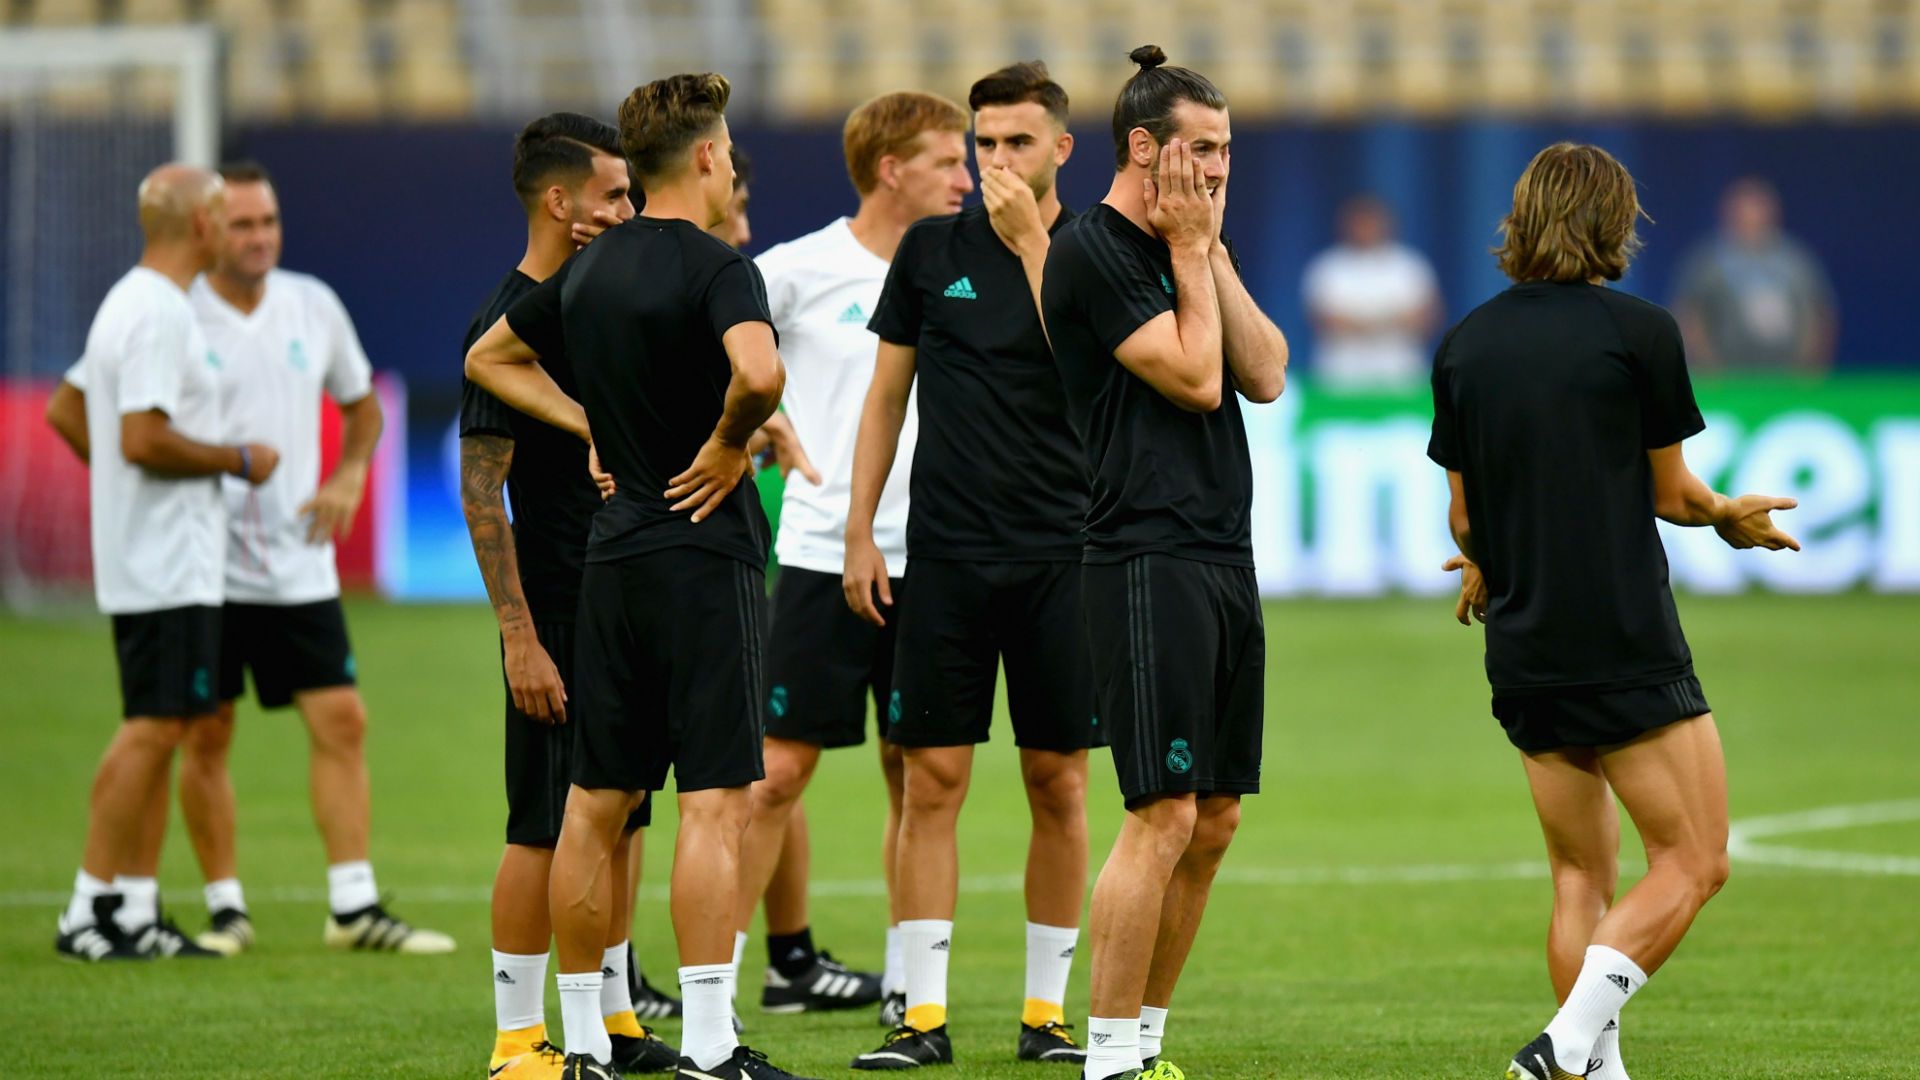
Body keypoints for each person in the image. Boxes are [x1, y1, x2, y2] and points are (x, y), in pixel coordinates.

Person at [466, 72, 817, 1080]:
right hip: (704, 553)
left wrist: (591, 427)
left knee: (592, 801)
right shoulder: (718, 271)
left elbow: (490, 358)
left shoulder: (584, 273)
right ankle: (710, 1042)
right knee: (713, 802)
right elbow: (760, 375)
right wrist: (725, 444)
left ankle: (581, 1046)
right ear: (708, 157)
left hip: (610, 554)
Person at [1428, 143, 1800, 1080]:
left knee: (1577, 878)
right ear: (1612, 221)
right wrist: (1725, 516)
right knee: (1694, 861)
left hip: (1522, 643)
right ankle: (1560, 1048)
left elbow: (1466, 515)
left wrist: (1484, 567)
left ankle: (1600, 1072)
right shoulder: (1640, 332)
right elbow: (1671, 491)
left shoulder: (1465, 344)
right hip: (1623, 638)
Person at [52, 162, 453, 960]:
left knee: (340, 716)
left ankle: (353, 902)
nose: (259, 236)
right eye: (240, 223)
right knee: (192, 732)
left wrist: (345, 476)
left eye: (269, 221)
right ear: (206, 226)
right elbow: (77, 410)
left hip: (294, 557)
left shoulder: (312, 303)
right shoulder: (169, 308)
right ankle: (218, 905)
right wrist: (153, 485)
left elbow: (363, 405)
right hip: (199, 563)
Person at [842, 61, 1097, 1071]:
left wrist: (1035, 249)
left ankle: (1045, 1016)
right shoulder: (928, 251)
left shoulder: (1093, 252)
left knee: (1059, 784)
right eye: (983, 144)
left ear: (1060, 151)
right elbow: (885, 398)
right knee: (931, 779)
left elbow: (1087, 365)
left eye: (1016, 144)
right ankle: (922, 1017)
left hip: (1065, 555)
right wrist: (861, 529)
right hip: (944, 553)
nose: (994, 163)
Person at [1040, 46, 1287, 1080]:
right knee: (1162, 812)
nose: (1220, 168)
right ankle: (1103, 1057)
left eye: (1228, 150)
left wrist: (1210, 250)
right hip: (1143, 557)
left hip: (1220, 554)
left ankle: (1144, 1041)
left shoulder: (1195, 245)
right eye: (1202, 149)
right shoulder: (1091, 251)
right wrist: (1192, 251)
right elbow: (1194, 377)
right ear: (1142, 148)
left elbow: (1263, 373)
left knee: (1216, 818)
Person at [734, 89, 973, 1026]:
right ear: (890, 169)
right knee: (777, 774)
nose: (967, 177)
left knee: (919, 778)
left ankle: (909, 986)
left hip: (939, 560)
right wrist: (767, 420)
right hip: (819, 554)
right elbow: (714, 358)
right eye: (949, 161)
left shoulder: (965, 268)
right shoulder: (796, 270)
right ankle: (732, 989)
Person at [459, 113, 680, 1078]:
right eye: (615, 195)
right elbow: (482, 495)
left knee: (624, 811)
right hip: (554, 605)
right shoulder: (505, 323)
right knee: (543, 823)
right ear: (561, 203)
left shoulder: (600, 306)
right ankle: (516, 1039)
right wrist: (520, 637)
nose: (629, 210)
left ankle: (615, 1016)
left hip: (626, 594)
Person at [47, 164, 278, 962]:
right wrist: (237, 457)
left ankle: (135, 909)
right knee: (151, 726)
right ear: (200, 224)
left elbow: (65, 407)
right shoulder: (158, 313)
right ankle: (87, 907)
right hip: (166, 559)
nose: (230, 228)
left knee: (170, 721)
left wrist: (119, 494)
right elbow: (141, 439)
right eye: (223, 214)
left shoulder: (135, 300)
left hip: (161, 552)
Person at [1671, 177, 1836, 372]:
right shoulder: (1708, 262)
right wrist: (1708, 369)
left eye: (1757, 210)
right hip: (1727, 384)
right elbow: (1689, 316)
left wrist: (1809, 369)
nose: (1751, 218)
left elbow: (1819, 315)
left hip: (1787, 381)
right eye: (1743, 211)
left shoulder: (1795, 261)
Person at [1300, 194, 1440, 390]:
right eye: (1360, 223)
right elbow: (1324, 319)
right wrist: (1388, 322)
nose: (1365, 229)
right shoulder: (1328, 267)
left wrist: (1362, 323)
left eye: (1371, 222)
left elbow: (1425, 317)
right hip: (1341, 377)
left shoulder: (1410, 265)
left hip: (1400, 375)